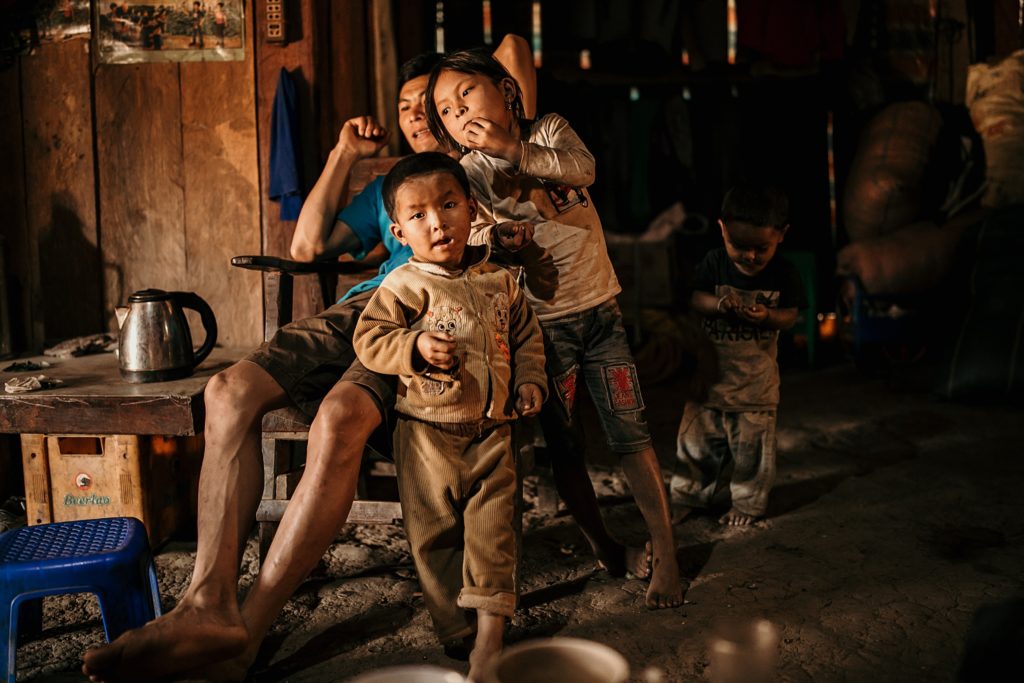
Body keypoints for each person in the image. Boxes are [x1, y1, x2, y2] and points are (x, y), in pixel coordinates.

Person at [81, 35, 536, 683]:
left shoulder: (480, 172)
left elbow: (514, 53)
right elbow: (305, 246)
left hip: (420, 313)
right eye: (405, 105)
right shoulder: (389, 190)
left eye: (428, 103)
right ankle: (207, 602)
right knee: (228, 390)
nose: (413, 114)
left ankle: (248, 631)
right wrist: (345, 153)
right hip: (355, 305)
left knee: (340, 415)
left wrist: (469, 103)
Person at [425, 50, 684, 609]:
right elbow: (465, 239)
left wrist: (511, 149)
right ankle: (607, 549)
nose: (457, 112)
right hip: (545, 332)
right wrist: (497, 242)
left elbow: (583, 171)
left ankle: (666, 550)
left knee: (632, 434)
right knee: (566, 448)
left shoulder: (550, 131)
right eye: (445, 110)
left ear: (507, 92)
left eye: (465, 94)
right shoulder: (469, 175)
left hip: (602, 316)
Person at [353, 152, 547, 678]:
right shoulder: (402, 286)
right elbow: (369, 339)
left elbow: (527, 337)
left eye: (448, 205)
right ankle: (455, 629)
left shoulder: (501, 282)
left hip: (493, 431)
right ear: (398, 231)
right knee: (432, 535)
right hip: (424, 435)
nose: (436, 222)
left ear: (473, 209)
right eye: (418, 215)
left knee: (493, 529)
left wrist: (530, 379)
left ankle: (490, 635)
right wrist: (413, 346)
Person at [670, 183, 806, 526]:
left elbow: (791, 315)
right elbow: (693, 299)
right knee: (696, 448)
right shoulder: (714, 263)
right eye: (739, 245)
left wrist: (768, 317)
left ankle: (746, 505)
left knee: (752, 456)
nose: (749, 256)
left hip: (754, 390)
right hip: (707, 385)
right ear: (722, 229)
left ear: (781, 235)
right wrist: (717, 304)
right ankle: (690, 497)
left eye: (761, 248)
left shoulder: (784, 272)